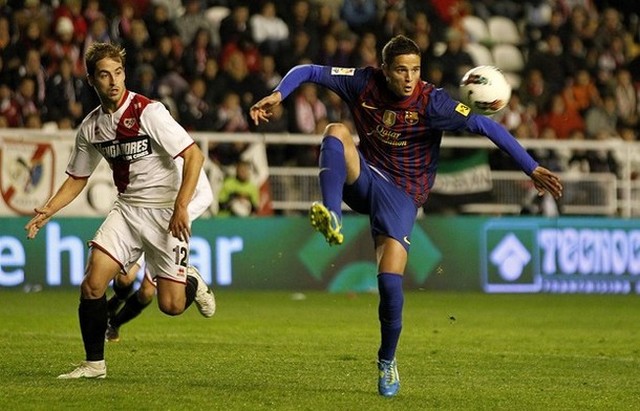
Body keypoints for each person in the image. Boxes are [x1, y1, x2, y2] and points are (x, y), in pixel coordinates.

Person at [250, 35, 563, 397]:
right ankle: (332, 216)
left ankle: (386, 360)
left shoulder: (434, 102)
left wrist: (531, 167)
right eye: (401, 70)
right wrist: (279, 94)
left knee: (389, 283)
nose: (410, 77)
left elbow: (487, 126)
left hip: (402, 196)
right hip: (366, 177)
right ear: (385, 70)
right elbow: (308, 70)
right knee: (335, 132)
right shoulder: (363, 82)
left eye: (415, 69)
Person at [25, 42, 216, 379]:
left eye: (118, 72)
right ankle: (94, 365)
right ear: (91, 81)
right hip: (127, 209)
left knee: (171, 306)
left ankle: (191, 280)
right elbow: (77, 178)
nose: (113, 81)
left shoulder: (148, 112)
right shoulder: (91, 127)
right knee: (92, 283)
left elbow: (194, 156)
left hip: (165, 208)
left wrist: (181, 206)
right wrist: (48, 210)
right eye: (104, 75)